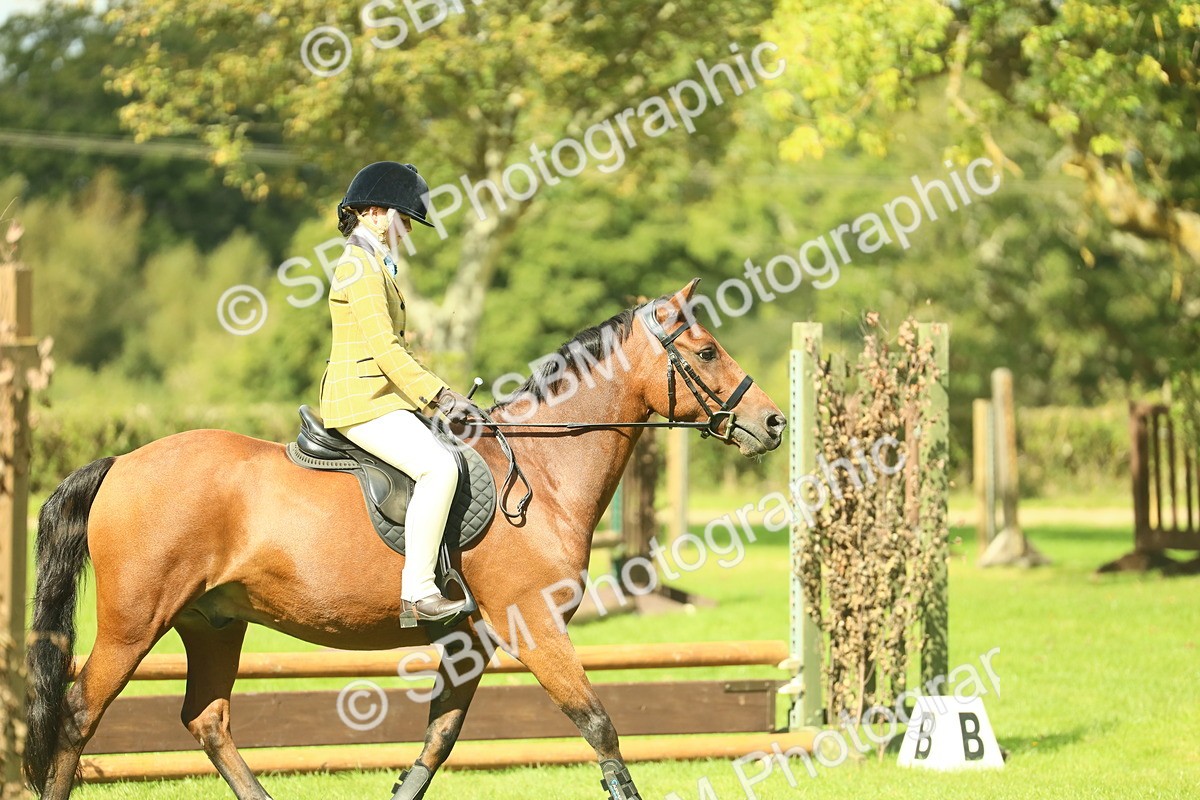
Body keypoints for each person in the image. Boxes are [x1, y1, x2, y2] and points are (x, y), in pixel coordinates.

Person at [319, 161, 479, 627]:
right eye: (404, 218)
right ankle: (418, 591)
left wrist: (435, 396)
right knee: (439, 468)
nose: (408, 229)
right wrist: (440, 397)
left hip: (382, 397)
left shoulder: (373, 263)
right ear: (373, 212)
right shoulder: (358, 266)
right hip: (363, 401)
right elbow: (385, 349)